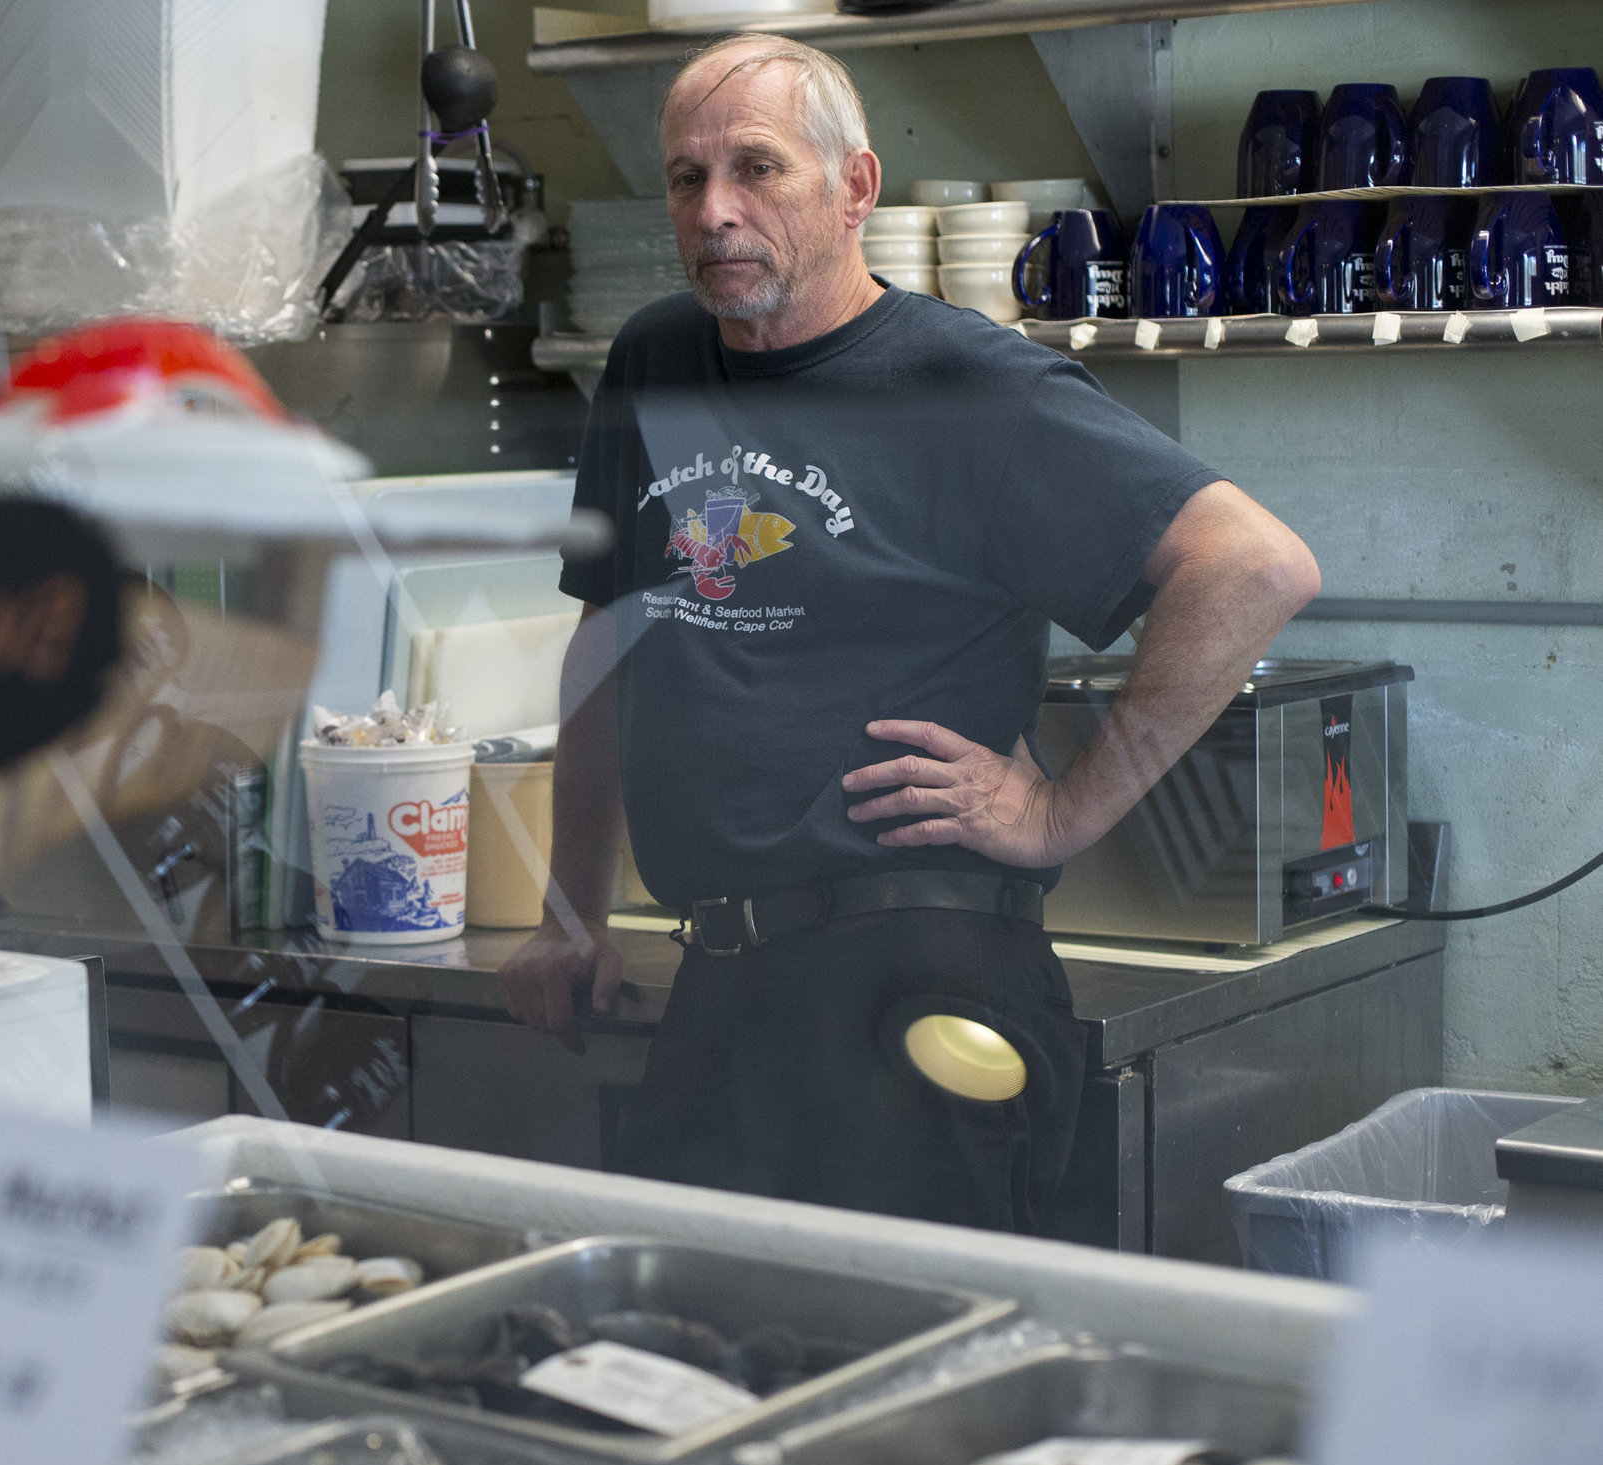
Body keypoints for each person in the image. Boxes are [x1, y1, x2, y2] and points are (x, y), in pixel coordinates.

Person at [497, 33, 1321, 1234]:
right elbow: (608, 642)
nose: (716, 211)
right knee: (695, 1359)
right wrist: (570, 907)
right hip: (721, 984)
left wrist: (1065, 808)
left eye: (758, 169)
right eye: (687, 178)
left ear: (855, 188)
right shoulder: (652, 361)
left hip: (919, 984)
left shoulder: (969, 384)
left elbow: (1253, 564)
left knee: (903, 1385)